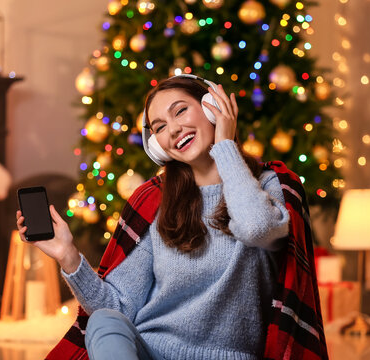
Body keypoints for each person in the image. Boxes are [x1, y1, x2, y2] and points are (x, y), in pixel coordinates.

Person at [16, 75, 328, 360]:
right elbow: (118, 308)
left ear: (213, 107)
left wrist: (226, 146)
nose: (173, 129)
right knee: (103, 321)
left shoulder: (269, 184)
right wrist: (68, 257)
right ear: (156, 145)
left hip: (230, 356)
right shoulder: (156, 201)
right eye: (160, 126)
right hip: (152, 352)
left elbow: (255, 228)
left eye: (180, 112)